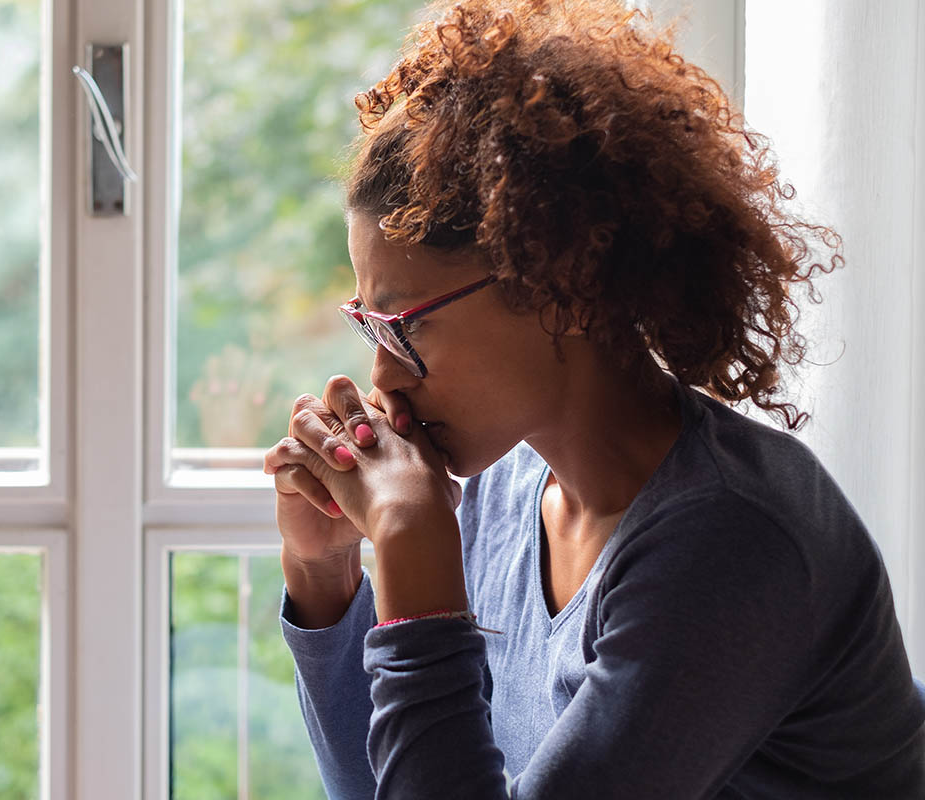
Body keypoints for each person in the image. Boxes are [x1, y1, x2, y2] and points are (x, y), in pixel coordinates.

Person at [262, 0, 925, 797]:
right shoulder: (508, 492)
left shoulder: (729, 540)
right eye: (368, 324)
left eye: (405, 326)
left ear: (563, 289)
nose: (383, 379)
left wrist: (413, 545)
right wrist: (324, 574)